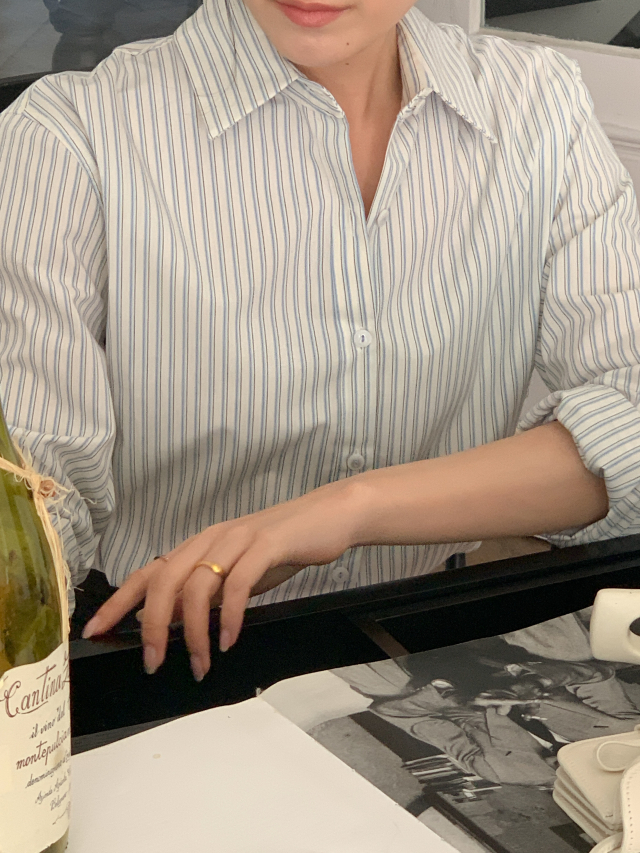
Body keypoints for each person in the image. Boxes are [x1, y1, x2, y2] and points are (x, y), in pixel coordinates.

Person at [1, 0, 639, 684]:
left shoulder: (538, 104)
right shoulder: (72, 133)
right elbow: (32, 493)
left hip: (439, 636)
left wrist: (349, 509)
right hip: (157, 653)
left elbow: (626, 414)